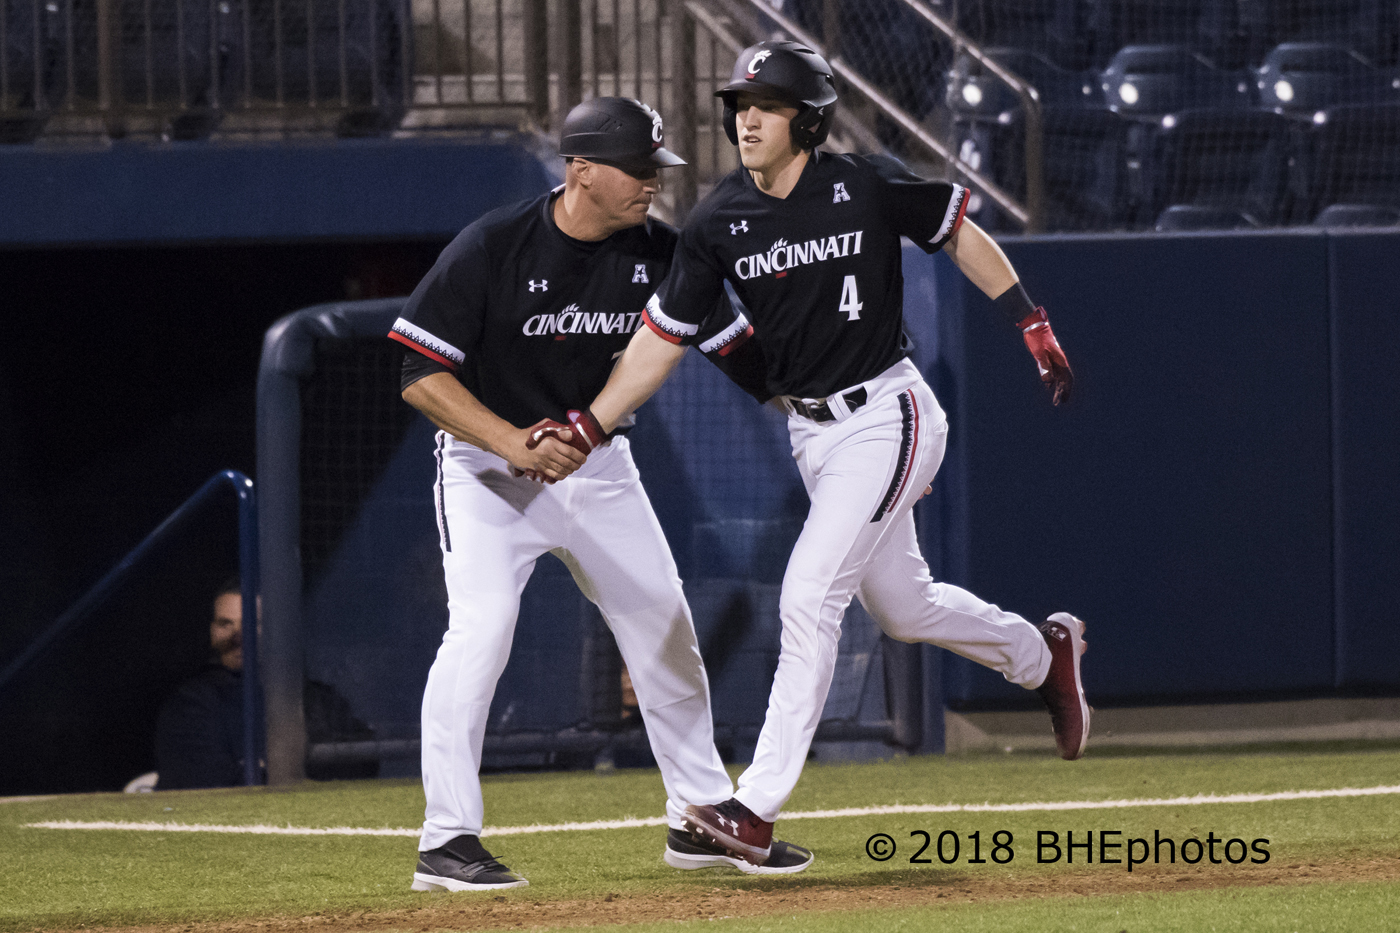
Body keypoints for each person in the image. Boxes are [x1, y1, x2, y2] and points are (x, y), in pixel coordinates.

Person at [576, 41, 1092, 867]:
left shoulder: (865, 182)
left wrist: (1031, 321)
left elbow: (959, 231)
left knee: (809, 595)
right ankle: (1042, 654)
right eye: (740, 106)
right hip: (813, 434)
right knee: (905, 609)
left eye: (767, 106)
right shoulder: (716, 221)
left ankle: (753, 808)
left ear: (809, 120)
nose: (747, 120)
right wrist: (592, 424)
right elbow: (658, 340)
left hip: (888, 411)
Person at [388, 96, 813, 892]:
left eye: (657, 168)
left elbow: (743, 358)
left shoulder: (663, 252)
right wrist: (510, 441)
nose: (654, 182)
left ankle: (699, 819)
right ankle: (446, 839)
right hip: (487, 470)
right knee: (482, 629)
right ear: (581, 170)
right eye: (637, 168)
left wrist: (840, 409)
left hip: (599, 468)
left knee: (664, 626)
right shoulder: (494, 244)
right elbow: (419, 373)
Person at [154, 578, 377, 790]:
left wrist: (274, 769)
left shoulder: (317, 698)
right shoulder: (190, 705)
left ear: (277, 631)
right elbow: (209, 782)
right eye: (225, 624)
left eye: (253, 624)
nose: (238, 636)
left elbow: (364, 763)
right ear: (213, 631)